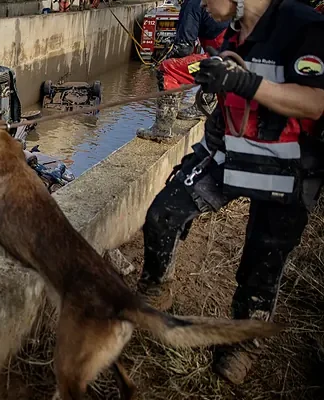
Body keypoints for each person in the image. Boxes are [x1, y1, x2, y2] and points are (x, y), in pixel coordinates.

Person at [135, 0, 324, 385]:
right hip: (228, 151)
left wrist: (244, 82)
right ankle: (156, 289)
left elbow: (315, 102)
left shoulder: (303, 26)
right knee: (163, 214)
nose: (201, 2)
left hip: (287, 167)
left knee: (263, 261)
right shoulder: (232, 35)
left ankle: (243, 344)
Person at [137, 0, 230, 139]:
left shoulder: (192, 4)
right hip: (232, 58)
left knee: (168, 68)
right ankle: (205, 102)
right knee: (199, 62)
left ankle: (162, 129)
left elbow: (183, 48)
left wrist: (168, 57)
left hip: (220, 62)